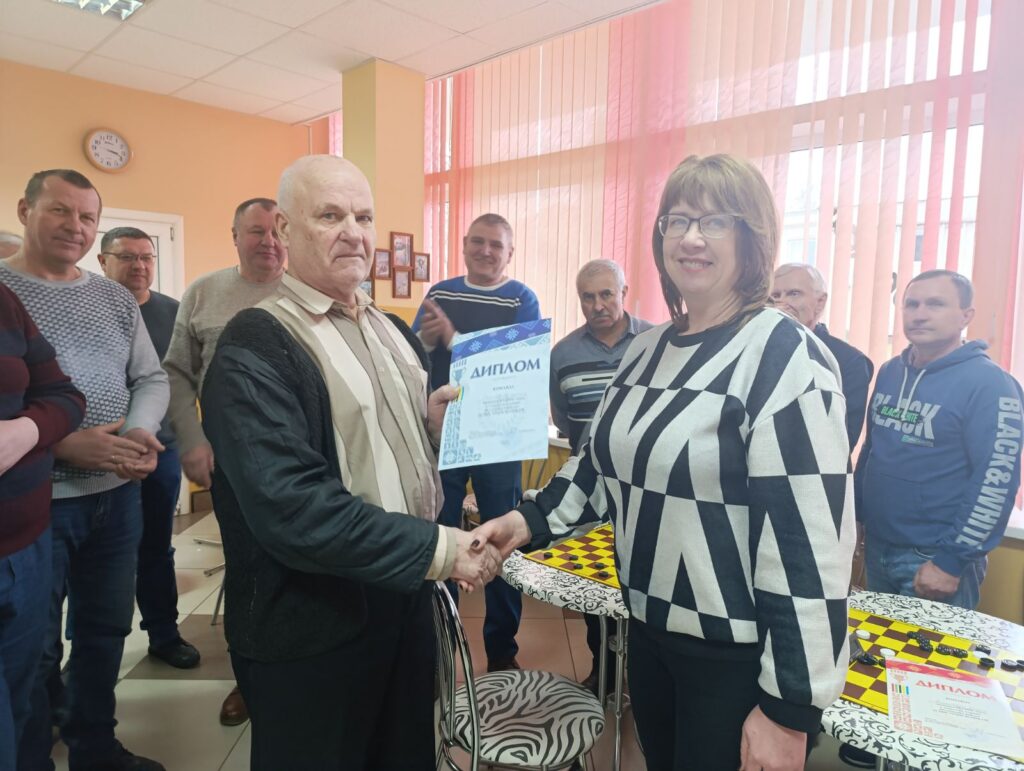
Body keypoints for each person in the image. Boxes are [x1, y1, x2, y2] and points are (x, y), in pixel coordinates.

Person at [474, 154, 855, 771]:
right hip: (647, 633)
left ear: (753, 237)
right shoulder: (645, 350)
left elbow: (809, 544)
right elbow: (596, 469)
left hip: (736, 658)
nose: (691, 238)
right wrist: (524, 522)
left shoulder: (784, 355)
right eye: (677, 220)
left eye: (715, 221)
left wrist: (790, 709)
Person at [200, 154, 501, 770]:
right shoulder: (255, 343)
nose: (353, 233)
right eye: (330, 215)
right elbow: (292, 508)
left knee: (404, 752)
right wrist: (443, 550)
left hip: (405, 594)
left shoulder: (393, 330)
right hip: (315, 621)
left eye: (363, 217)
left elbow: (384, 447)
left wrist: (432, 430)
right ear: (285, 230)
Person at [1, 169, 168, 771]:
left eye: (87, 216)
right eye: (60, 210)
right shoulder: (4, 292)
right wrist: (65, 445)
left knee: (104, 631)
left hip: (115, 495)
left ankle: (95, 749)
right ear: (25, 210)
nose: (75, 226)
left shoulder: (114, 298)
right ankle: (30, 756)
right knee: (34, 648)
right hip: (35, 503)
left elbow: (149, 377)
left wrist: (138, 430)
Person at [162, 197, 285, 725]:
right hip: (233, 462)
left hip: (309, 460)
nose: (269, 241)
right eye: (256, 231)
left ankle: (304, 674)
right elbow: (175, 373)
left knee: (310, 567)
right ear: (234, 236)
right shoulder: (204, 293)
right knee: (248, 570)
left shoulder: (314, 288)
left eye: (278, 230)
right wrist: (190, 439)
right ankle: (249, 679)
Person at [411, 213, 540, 671]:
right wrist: (427, 342)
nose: (486, 251)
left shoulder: (521, 298)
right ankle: (440, 642)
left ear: (510, 252)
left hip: (500, 439)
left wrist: (454, 340)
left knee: (503, 538)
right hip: (446, 436)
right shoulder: (441, 294)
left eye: (496, 245)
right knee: (443, 538)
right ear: (464, 244)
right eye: (479, 242)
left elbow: (516, 359)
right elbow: (411, 358)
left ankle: (502, 649)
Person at [857, 269, 1023, 609]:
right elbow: (872, 451)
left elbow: (995, 482)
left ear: (966, 315)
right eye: (911, 304)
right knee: (877, 643)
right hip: (877, 545)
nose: (919, 314)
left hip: (934, 558)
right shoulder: (890, 371)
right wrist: (858, 517)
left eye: (935, 304)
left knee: (925, 647)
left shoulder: (991, 385)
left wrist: (952, 561)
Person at [97, 227, 199, 669]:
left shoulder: (173, 313)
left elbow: (187, 380)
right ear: (103, 261)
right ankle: (94, 651)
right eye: (127, 257)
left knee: (156, 547)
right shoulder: (88, 306)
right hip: (96, 454)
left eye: (146, 257)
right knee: (99, 555)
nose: (139, 266)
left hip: (161, 450)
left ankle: (164, 634)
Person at [549, 258, 651, 694]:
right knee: (595, 584)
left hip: (648, 490)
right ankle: (603, 672)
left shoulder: (656, 343)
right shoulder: (563, 354)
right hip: (589, 493)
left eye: (606, 294)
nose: (598, 305)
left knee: (646, 583)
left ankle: (643, 679)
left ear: (623, 292)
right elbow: (564, 420)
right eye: (587, 297)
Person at [0, 284, 85, 770]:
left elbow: (62, 394)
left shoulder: (4, 301)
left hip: (25, 545)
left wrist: (25, 431)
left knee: (22, 698)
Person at [771, 262, 874, 447]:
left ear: (820, 302)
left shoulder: (849, 361)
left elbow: (842, 440)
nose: (782, 303)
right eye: (775, 296)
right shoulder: (756, 348)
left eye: (794, 294)